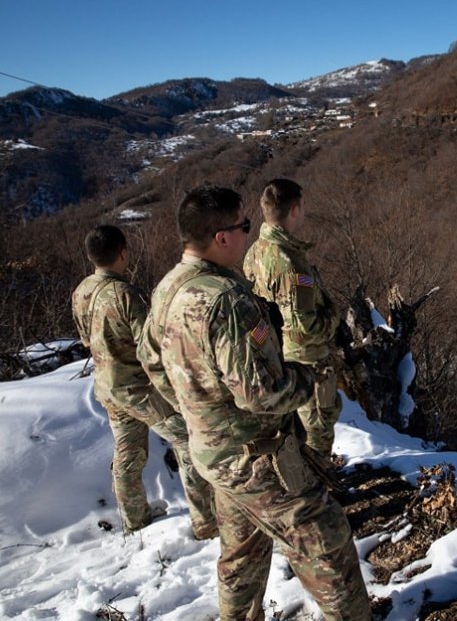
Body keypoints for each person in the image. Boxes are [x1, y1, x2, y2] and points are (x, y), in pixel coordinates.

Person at [137, 186, 370, 621]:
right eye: (243, 226)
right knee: (328, 541)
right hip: (255, 458)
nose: (249, 233)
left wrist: (199, 413)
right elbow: (261, 394)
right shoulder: (225, 300)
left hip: (214, 454)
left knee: (242, 552)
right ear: (221, 237)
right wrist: (308, 378)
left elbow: (152, 363)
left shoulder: (168, 288)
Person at [71, 225, 216, 538]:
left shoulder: (81, 291)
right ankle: (206, 520)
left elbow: (86, 340)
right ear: (123, 252)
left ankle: (134, 519)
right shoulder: (126, 295)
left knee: (128, 452)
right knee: (187, 440)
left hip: (107, 387)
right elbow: (151, 346)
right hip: (138, 387)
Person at [243, 178, 342, 460]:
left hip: (274, 354)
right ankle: (319, 487)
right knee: (317, 427)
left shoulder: (254, 252)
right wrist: (333, 318)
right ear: (295, 210)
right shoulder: (290, 263)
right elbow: (304, 327)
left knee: (294, 429)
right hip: (305, 358)